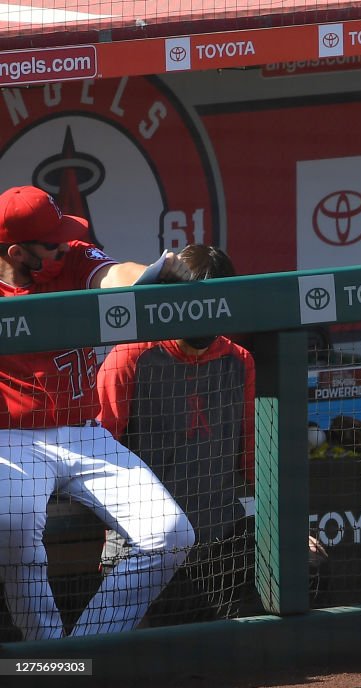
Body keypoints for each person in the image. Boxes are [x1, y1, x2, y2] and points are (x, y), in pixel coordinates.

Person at [0, 185, 196, 640]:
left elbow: (114, 274)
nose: (64, 243)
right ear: (16, 251)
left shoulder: (71, 257)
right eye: (50, 240)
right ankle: (48, 656)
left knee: (170, 534)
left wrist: (151, 275)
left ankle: (90, 649)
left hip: (84, 432)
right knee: (11, 531)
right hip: (11, 436)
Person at [95, 245, 258, 624]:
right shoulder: (129, 358)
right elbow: (98, 454)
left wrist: (295, 527)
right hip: (143, 545)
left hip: (220, 542)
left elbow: (254, 457)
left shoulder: (239, 361)